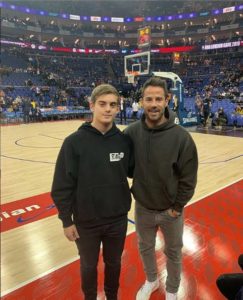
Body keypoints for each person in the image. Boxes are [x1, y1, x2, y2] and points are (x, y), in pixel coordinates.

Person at [51, 84, 134, 300]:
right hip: (86, 221)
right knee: (88, 265)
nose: (108, 109)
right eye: (102, 104)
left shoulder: (124, 141)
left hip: (117, 219)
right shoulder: (74, 142)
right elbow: (61, 185)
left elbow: (136, 173)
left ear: (118, 108)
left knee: (114, 263)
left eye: (113, 105)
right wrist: (66, 220)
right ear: (92, 106)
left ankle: (111, 296)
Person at [125, 77, 198, 300]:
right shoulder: (131, 133)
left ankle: (173, 290)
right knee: (145, 248)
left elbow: (188, 178)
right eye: (149, 99)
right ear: (142, 102)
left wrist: (177, 208)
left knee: (173, 252)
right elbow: (125, 167)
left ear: (168, 100)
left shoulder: (181, 137)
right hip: (144, 209)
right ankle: (151, 280)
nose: (154, 104)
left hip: (171, 211)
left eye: (159, 99)